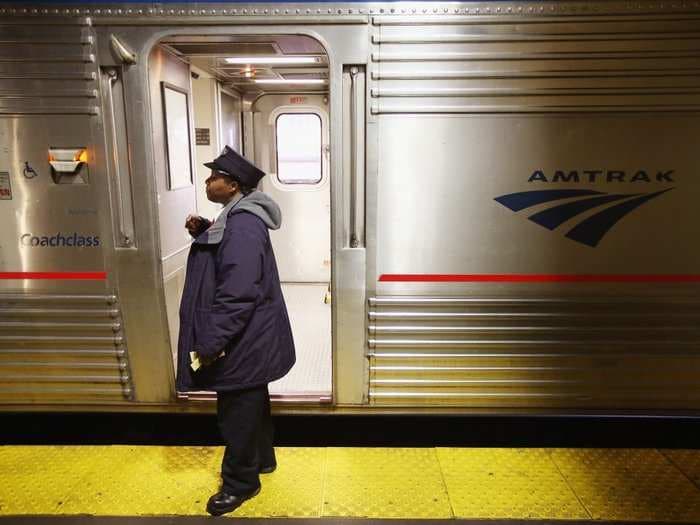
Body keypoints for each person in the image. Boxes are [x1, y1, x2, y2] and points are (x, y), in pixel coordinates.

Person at [176, 145, 296, 516]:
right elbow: (227, 255)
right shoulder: (236, 217)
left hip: (243, 338)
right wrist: (205, 230)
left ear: (232, 185)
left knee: (237, 411)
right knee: (252, 400)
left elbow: (238, 291)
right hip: (252, 336)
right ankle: (262, 460)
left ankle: (240, 483)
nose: (208, 182)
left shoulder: (243, 224)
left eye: (214, 177)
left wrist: (212, 341)